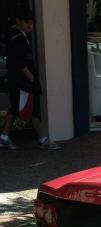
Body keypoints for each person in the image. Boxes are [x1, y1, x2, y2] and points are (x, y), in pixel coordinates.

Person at [0, 7, 60, 150]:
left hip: (16, 80)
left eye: (32, 23)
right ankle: (43, 139)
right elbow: (20, 62)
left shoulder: (14, 35)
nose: (30, 26)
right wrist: (32, 79)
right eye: (27, 23)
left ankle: (4, 137)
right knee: (32, 109)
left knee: (15, 108)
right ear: (18, 21)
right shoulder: (18, 38)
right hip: (23, 82)